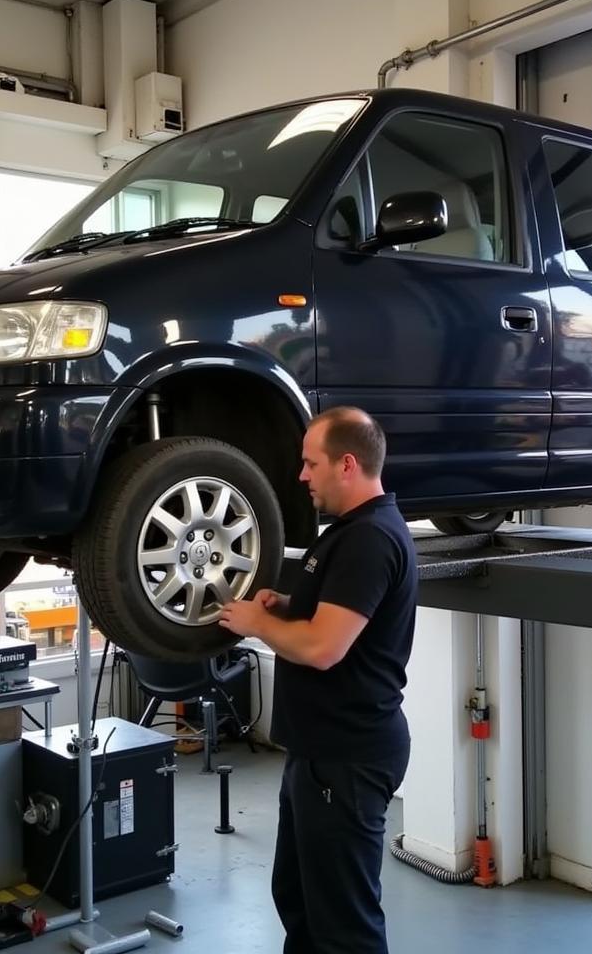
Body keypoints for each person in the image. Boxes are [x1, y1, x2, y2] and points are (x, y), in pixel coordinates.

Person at [220, 406, 418, 954]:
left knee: (342, 924)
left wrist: (258, 623)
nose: (302, 475)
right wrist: (285, 605)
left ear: (347, 464)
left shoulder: (369, 539)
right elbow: (335, 618)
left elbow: (324, 648)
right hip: (320, 753)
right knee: (301, 900)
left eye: (311, 464)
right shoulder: (351, 533)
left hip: (347, 756)